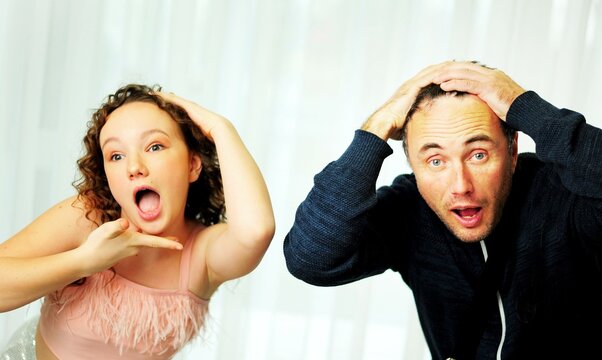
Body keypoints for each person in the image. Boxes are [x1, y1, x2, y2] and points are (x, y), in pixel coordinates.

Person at [283, 61, 602, 359]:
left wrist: (525, 107)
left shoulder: (566, 195)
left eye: (478, 154)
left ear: (512, 150)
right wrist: (374, 130)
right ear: (413, 166)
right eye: (435, 161)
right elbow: (311, 257)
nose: (460, 185)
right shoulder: (410, 210)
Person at [0, 84, 275, 359]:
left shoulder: (203, 255)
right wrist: (84, 261)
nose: (134, 167)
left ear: (192, 165)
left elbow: (256, 232)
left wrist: (220, 128)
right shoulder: (86, 217)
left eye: (154, 146)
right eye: (116, 155)